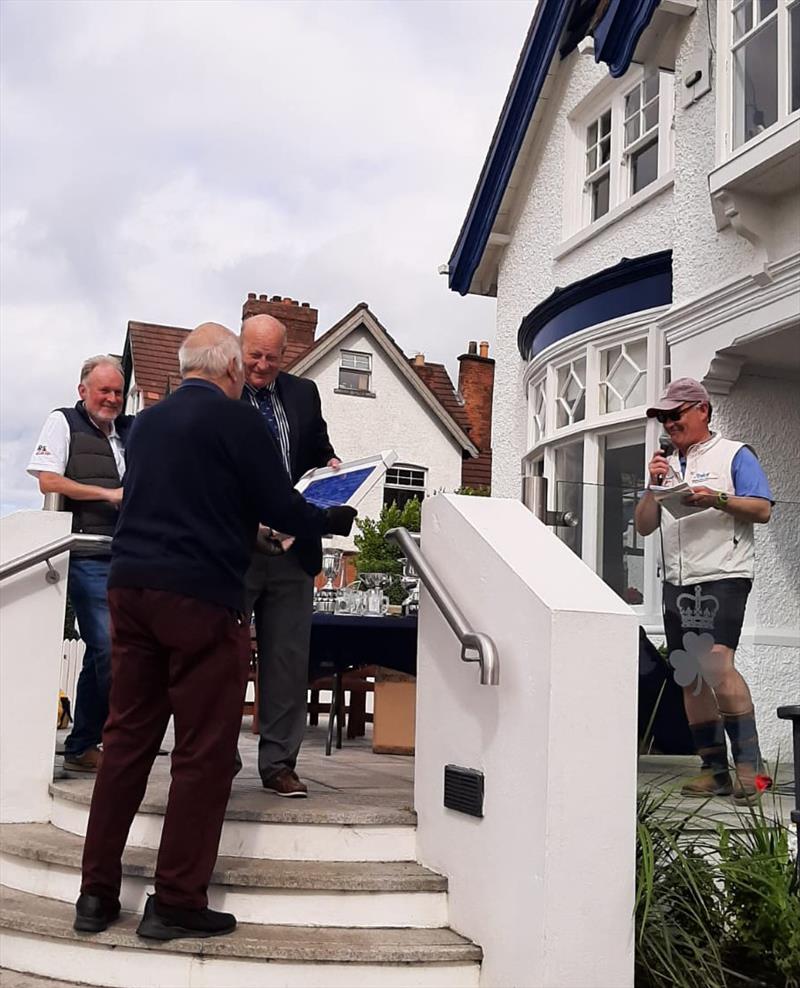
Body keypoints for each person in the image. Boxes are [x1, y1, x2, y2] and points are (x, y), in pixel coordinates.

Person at [74, 323, 356, 941]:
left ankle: (95, 894)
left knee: (126, 742)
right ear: (230, 369)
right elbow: (281, 505)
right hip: (199, 598)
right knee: (203, 752)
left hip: (131, 587)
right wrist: (330, 516)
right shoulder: (239, 422)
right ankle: (174, 899)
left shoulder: (143, 425)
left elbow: (187, 502)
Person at [634, 378, 774, 804]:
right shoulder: (665, 463)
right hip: (677, 578)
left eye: (676, 415)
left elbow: (763, 509)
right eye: (664, 417)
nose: (670, 423)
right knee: (689, 675)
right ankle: (713, 769)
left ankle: (751, 768)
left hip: (723, 572)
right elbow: (643, 525)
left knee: (715, 664)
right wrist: (653, 488)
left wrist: (716, 498)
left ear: (702, 411)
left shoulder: (734, 453)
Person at [239, 313, 341, 798]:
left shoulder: (303, 394)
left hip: (293, 549)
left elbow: (320, 450)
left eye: (270, 358)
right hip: (234, 548)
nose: (260, 366)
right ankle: (214, 762)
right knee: (220, 659)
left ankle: (279, 764)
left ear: (285, 356)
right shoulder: (220, 393)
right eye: (253, 355)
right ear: (240, 348)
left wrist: (335, 468)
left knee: (287, 661)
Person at [27, 356, 133, 773]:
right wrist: (107, 495)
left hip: (128, 554)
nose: (111, 398)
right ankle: (105, 739)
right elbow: (48, 480)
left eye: (117, 392)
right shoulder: (63, 421)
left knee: (104, 651)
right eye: (103, 390)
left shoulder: (128, 431)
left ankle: (83, 744)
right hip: (87, 551)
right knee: (109, 648)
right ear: (83, 391)